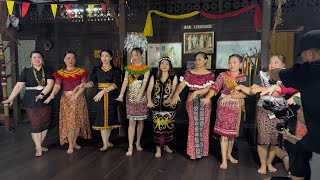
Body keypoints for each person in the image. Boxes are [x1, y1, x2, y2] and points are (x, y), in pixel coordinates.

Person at [271, 30, 320, 180]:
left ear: (310, 54)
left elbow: (276, 73)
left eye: (302, 55)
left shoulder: (310, 70)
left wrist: (273, 71)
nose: (302, 59)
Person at [234, 54, 287, 174]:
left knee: (275, 138)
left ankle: (269, 163)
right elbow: (252, 90)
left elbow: (279, 94)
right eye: (271, 61)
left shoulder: (286, 77)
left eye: (276, 62)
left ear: (283, 65)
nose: (272, 64)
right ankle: (263, 164)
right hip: (263, 110)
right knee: (263, 137)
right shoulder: (262, 76)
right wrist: (243, 87)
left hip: (280, 111)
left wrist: (262, 90)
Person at [2, 51, 54, 157]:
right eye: (34, 57)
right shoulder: (26, 71)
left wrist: (42, 94)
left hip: (45, 99)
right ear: (31, 60)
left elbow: (50, 84)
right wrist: (11, 98)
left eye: (39, 57)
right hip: (31, 100)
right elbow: (18, 86)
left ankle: (38, 144)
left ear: (42, 59)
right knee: (35, 124)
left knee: (44, 124)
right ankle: (38, 148)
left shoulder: (47, 70)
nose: (36, 59)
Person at [201, 54, 248, 169]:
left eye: (235, 62)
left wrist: (231, 96)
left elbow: (245, 94)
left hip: (237, 108)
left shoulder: (244, 78)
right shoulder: (222, 76)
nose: (232, 65)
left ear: (241, 64)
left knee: (232, 135)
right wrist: (207, 97)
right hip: (224, 107)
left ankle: (229, 155)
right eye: (230, 62)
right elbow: (214, 88)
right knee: (224, 134)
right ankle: (224, 160)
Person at [44, 51, 91, 154]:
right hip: (66, 99)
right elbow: (57, 86)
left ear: (75, 60)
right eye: (68, 58)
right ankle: (70, 145)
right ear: (64, 60)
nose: (70, 60)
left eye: (73, 58)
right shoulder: (60, 73)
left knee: (77, 122)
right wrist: (52, 95)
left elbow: (83, 86)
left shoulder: (81, 71)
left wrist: (76, 95)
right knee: (69, 123)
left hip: (78, 99)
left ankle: (74, 142)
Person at [171, 52, 214, 159]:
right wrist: (176, 93)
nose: (197, 62)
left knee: (204, 125)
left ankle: (203, 151)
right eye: (196, 59)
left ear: (205, 61)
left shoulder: (210, 74)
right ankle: (193, 152)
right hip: (191, 100)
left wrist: (196, 92)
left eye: (200, 59)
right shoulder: (189, 73)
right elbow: (181, 84)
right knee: (194, 125)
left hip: (205, 99)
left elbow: (209, 89)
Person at [80, 49, 121, 151]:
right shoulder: (96, 69)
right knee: (102, 119)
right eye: (102, 56)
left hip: (111, 97)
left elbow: (115, 85)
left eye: (107, 56)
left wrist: (103, 91)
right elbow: (92, 83)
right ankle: (105, 144)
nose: (104, 58)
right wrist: (83, 85)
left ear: (111, 58)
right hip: (100, 98)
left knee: (110, 119)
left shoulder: (116, 70)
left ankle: (107, 141)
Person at [115, 47, 151, 156]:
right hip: (130, 96)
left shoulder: (146, 68)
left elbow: (145, 84)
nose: (134, 57)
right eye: (132, 55)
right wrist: (121, 95)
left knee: (140, 121)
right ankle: (130, 146)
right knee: (131, 121)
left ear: (141, 55)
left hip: (141, 97)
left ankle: (138, 142)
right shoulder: (128, 68)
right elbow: (125, 83)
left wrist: (139, 96)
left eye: (136, 55)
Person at [146, 57, 178, 158]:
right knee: (158, 128)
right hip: (156, 106)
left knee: (168, 128)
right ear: (159, 66)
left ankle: (167, 145)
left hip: (169, 106)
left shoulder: (173, 77)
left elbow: (174, 90)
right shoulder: (154, 77)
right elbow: (149, 90)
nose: (164, 66)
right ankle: (158, 148)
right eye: (162, 63)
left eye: (166, 64)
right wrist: (149, 101)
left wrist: (170, 98)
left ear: (170, 66)